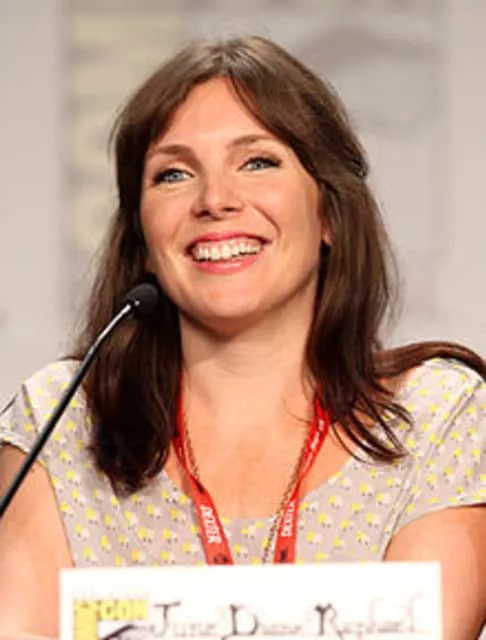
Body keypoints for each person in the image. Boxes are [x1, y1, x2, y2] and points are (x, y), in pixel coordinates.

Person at [0, 34, 485, 639]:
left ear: (329, 212)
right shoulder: (60, 420)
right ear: (143, 239)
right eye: (174, 174)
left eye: (257, 162)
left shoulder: (437, 418)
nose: (215, 200)